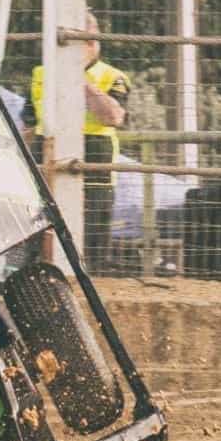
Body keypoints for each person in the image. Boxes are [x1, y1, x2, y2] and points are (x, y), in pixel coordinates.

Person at [28, 15, 131, 274]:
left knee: (92, 255)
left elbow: (113, 116)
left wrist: (78, 80)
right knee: (42, 245)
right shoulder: (41, 73)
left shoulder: (112, 76)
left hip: (94, 171)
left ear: (92, 43)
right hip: (47, 165)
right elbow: (28, 123)